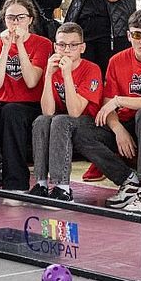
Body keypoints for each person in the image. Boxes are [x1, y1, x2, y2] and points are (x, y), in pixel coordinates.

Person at [64, 0, 141, 182]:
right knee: (87, 94)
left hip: (114, 35)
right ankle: (92, 151)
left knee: (109, 94)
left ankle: (107, 154)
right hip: (83, 32)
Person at [72, 9, 141, 216]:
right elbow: (107, 105)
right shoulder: (116, 61)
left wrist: (119, 100)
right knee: (81, 132)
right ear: (129, 36)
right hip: (129, 121)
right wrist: (117, 129)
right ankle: (128, 183)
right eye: (137, 35)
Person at [0, 0, 51, 192]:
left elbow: (32, 81)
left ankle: (16, 183)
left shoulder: (42, 43)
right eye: (10, 18)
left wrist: (21, 45)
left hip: (29, 104)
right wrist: (7, 47)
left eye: (20, 17)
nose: (15, 23)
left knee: (12, 113)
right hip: (4, 102)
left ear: (30, 20)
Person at [28, 22, 102, 202]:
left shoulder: (92, 69)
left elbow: (75, 112)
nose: (67, 50)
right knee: (41, 121)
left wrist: (67, 75)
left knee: (61, 120)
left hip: (91, 124)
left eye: (73, 45)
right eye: (62, 45)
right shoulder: (52, 68)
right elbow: (47, 111)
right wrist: (48, 75)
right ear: (55, 47)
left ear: (82, 48)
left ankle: (62, 187)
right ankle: (41, 183)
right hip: (62, 123)